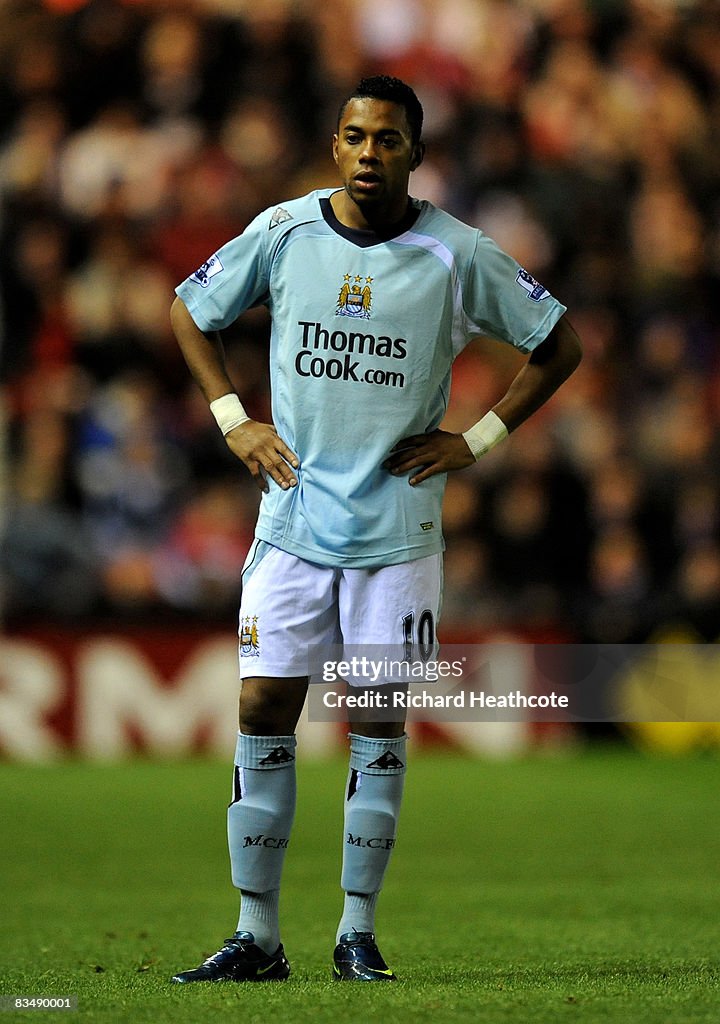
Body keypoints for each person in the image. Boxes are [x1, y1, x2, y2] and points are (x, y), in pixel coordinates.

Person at [169, 74, 582, 984]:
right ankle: (257, 937)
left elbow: (559, 343)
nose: (368, 153)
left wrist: (478, 439)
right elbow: (188, 310)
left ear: (415, 154)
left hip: (398, 531)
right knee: (262, 707)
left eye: (387, 140)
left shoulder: (457, 253)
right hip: (290, 522)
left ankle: (357, 932)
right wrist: (234, 417)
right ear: (335, 145)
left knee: (377, 719)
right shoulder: (282, 233)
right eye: (355, 136)